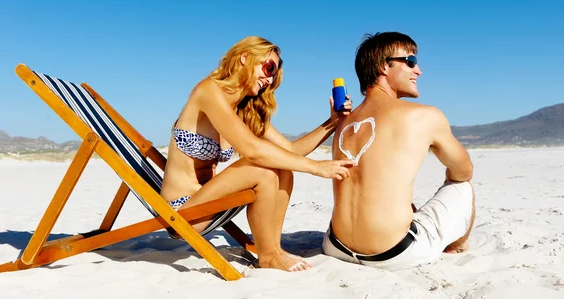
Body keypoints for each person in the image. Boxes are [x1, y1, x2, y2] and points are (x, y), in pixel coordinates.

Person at [160, 36, 355, 272]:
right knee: (262, 170)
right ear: (245, 58)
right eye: (268, 68)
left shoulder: (242, 109)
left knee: (283, 168)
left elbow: (290, 151)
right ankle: (268, 255)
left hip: (208, 205)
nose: (269, 79)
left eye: (274, 76)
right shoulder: (208, 90)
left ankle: (274, 248)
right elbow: (252, 150)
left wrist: (331, 123)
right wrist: (316, 167)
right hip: (182, 212)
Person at [322, 32, 475, 271]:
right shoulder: (424, 115)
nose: (418, 70)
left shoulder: (343, 122)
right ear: (384, 66)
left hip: (335, 245)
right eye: (411, 61)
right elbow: (464, 171)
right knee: (461, 187)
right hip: (393, 253)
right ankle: (457, 246)